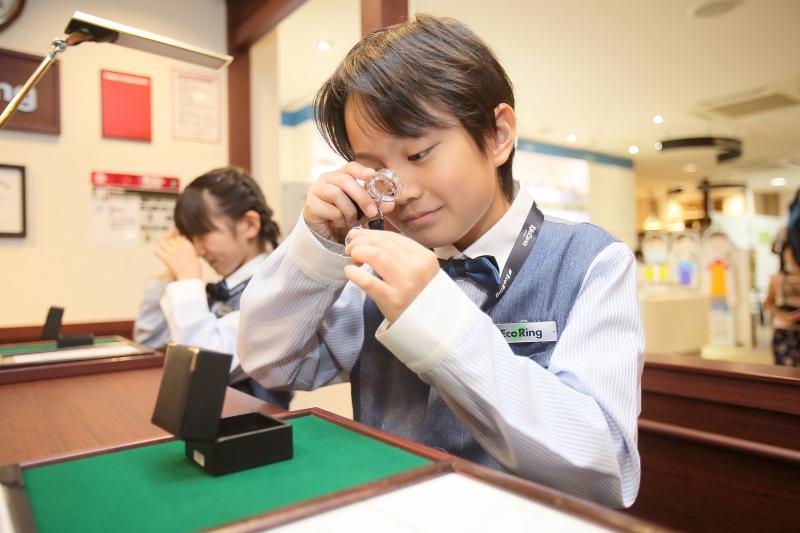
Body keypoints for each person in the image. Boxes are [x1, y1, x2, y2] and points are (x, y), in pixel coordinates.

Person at [238, 15, 643, 507]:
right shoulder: (376, 269)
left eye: (420, 153)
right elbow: (271, 363)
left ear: (497, 135)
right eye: (375, 169)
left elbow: (606, 469)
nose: (401, 192)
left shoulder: (591, 261)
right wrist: (315, 245)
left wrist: (438, 320)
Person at [133, 167, 292, 408]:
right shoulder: (222, 289)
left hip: (252, 424)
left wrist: (187, 278)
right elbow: (150, 343)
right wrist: (170, 275)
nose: (197, 249)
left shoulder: (275, 289)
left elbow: (205, 367)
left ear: (250, 225)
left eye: (203, 233)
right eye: (191, 238)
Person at [764, 240, 800, 366]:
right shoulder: (777, 278)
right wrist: (783, 315)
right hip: (784, 330)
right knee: (785, 371)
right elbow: (768, 303)